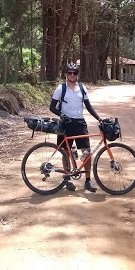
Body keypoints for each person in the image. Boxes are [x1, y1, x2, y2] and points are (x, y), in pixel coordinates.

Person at [50, 62, 101, 192]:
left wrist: (99, 119)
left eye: (75, 73)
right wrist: (61, 114)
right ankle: (67, 179)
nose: (72, 75)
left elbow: (88, 107)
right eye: (70, 73)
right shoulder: (60, 89)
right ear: (66, 74)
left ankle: (88, 181)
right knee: (65, 152)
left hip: (79, 123)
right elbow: (52, 107)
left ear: (77, 74)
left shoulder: (82, 88)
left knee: (86, 152)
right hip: (65, 124)